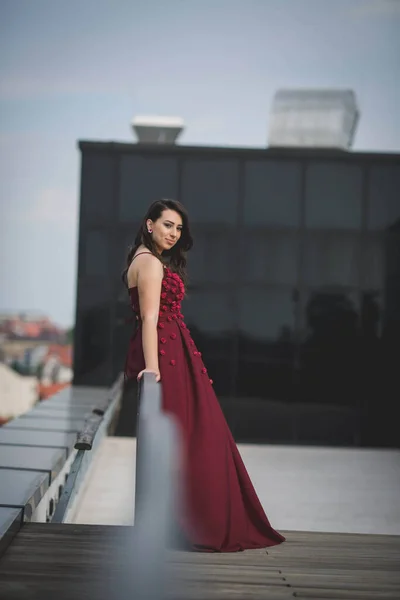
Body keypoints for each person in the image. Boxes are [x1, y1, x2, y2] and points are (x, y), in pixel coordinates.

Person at [123, 199, 285, 552]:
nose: (174, 234)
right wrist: (153, 367)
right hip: (167, 357)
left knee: (198, 434)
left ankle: (182, 524)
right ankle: (196, 524)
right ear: (149, 225)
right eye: (168, 225)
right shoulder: (149, 263)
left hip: (174, 352)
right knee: (196, 437)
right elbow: (149, 319)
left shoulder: (143, 259)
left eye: (178, 228)